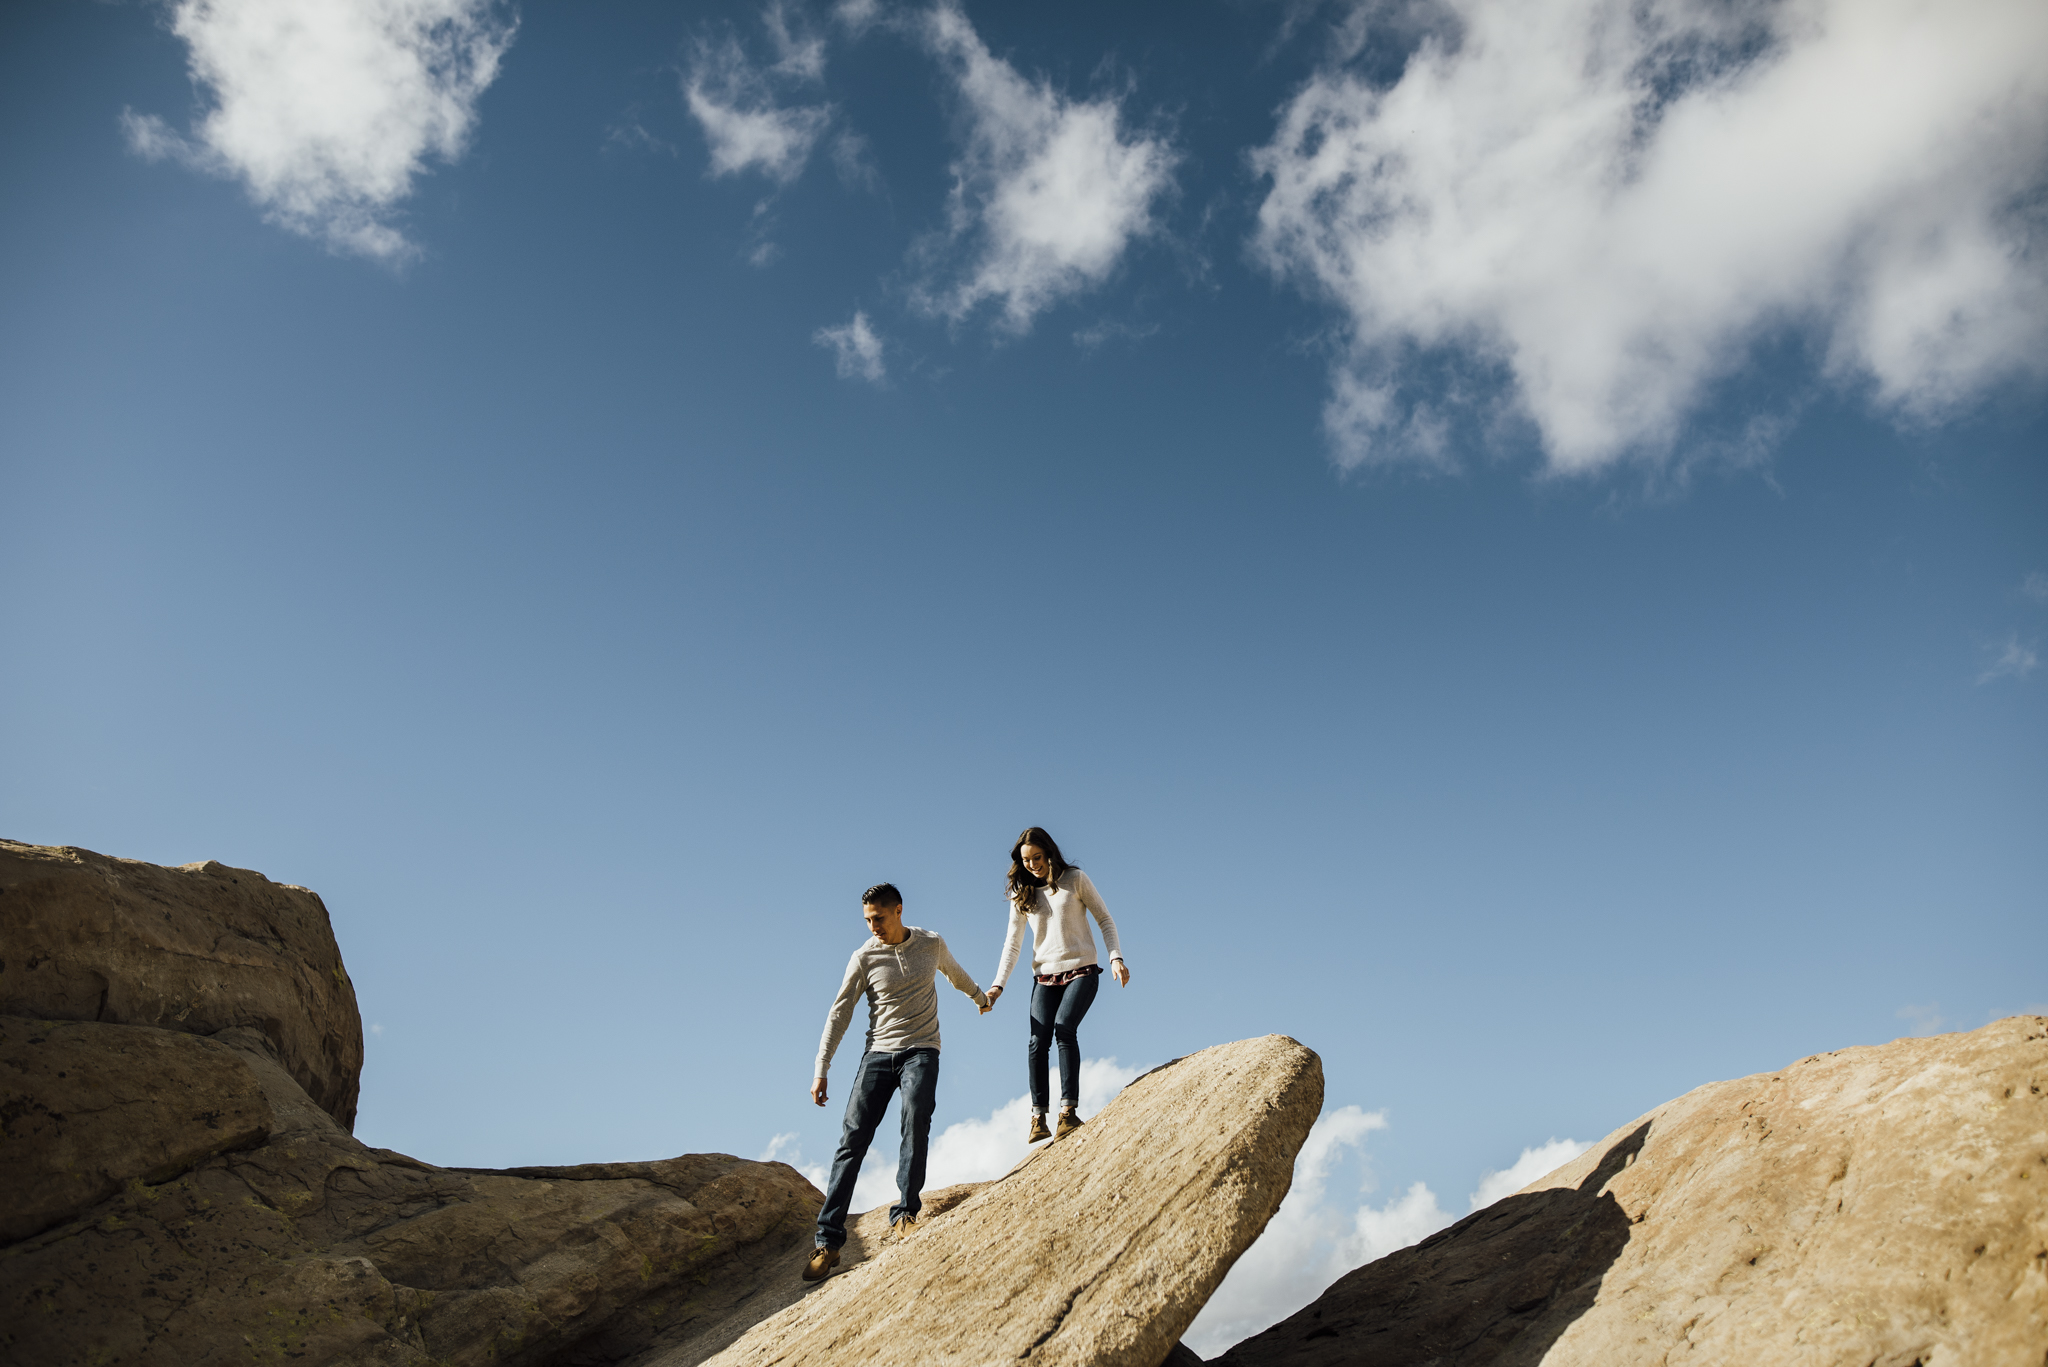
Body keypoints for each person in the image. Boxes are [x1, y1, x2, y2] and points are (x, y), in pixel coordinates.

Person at [803, 882, 990, 1282]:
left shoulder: (930, 943)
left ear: (899, 911)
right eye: (868, 920)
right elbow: (839, 1013)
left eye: (879, 918)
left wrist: (980, 997)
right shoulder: (863, 958)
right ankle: (828, 1241)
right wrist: (822, 1067)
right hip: (878, 1054)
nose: (873, 927)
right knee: (851, 1141)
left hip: (922, 1049)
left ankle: (905, 1213)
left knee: (915, 1118)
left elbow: (955, 975)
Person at [985, 827, 1128, 1145]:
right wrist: (998, 986)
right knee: (1037, 1040)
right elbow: (1012, 944)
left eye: (1037, 857)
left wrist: (1115, 957)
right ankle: (1038, 1117)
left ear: (1049, 853)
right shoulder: (1021, 893)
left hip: (1082, 972)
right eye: (1026, 860)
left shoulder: (1075, 879)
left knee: (1064, 1027)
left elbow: (1105, 918)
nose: (1032, 864)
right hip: (1045, 978)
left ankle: (1068, 1112)